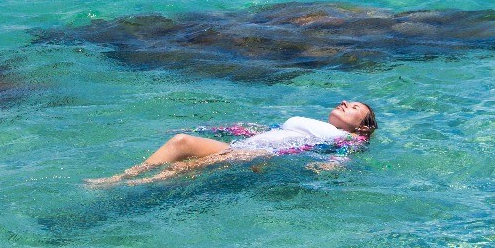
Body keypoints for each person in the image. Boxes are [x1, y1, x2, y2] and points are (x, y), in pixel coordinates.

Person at [86, 100, 377, 186]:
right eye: (346, 102)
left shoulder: (348, 137)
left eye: (353, 108)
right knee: (181, 141)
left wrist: (328, 166)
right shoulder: (319, 125)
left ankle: (136, 185)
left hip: (263, 156)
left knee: (193, 166)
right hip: (246, 147)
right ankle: (122, 178)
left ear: (362, 125)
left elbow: (346, 156)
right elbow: (259, 130)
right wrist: (215, 129)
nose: (344, 103)